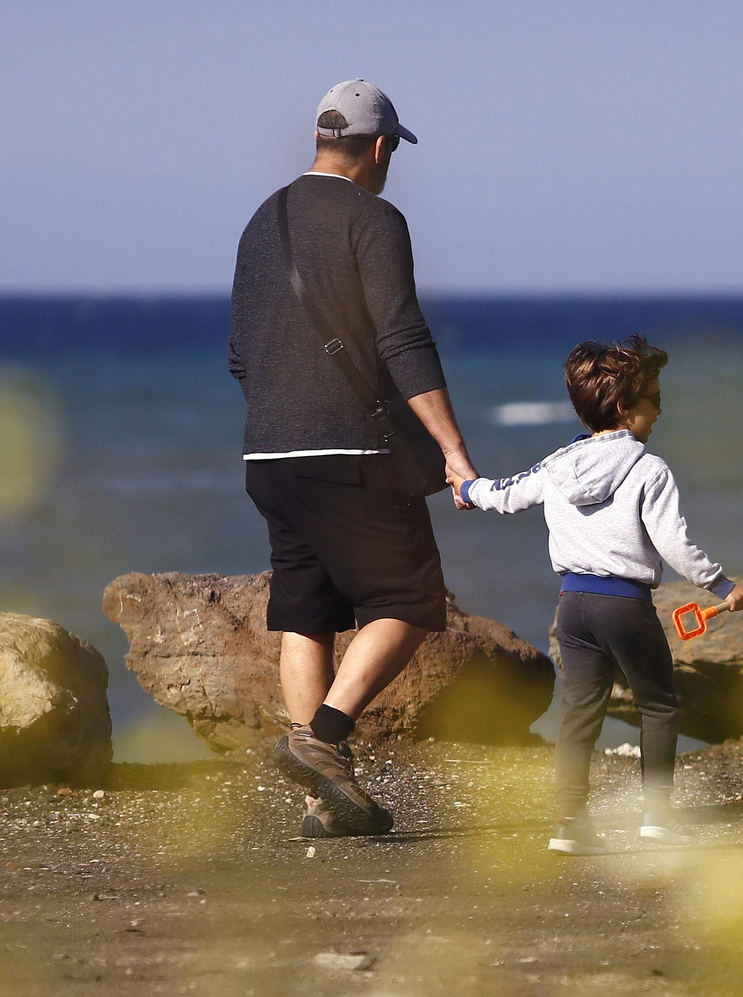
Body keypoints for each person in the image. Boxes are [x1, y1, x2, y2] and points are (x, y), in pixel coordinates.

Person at [228, 80, 478, 838]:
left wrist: (282, 412)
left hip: (268, 454)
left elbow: (241, 354)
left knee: (306, 615)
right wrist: (454, 450)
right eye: (391, 153)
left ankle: (323, 802)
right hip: (350, 450)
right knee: (409, 601)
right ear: (377, 148)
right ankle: (320, 740)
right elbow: (402, 338)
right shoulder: (376, 219)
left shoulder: (260, 221)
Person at [450, 336, 743, 855]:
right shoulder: (648, 468)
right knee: (658, 706)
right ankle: (658, 819)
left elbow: (508, 494)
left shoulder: (560, 463)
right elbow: (674, 543)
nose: (660, 408)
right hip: (623, 606)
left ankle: (570, 826)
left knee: (579, 714)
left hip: (573, 608)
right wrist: (724, 587)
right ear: (624, 409)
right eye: (653, 399)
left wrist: (468, 490)